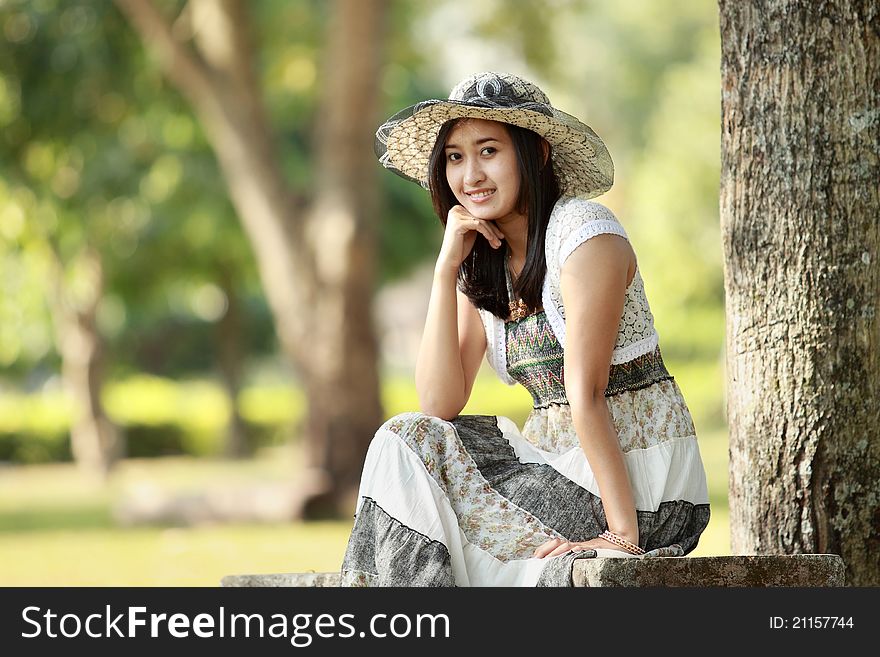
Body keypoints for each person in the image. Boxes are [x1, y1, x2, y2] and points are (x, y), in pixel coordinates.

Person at [339, 71, 710, 586]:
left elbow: (588, 392)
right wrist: (446, 271)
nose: (470, 176)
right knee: (403, 441)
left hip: (638, 480)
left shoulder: (585, 237)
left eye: (488, 150)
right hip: (553, 468)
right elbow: (438, 403)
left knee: (447, 533)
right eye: (454, 157)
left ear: (535, 154)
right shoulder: (482, 262)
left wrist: (623, 538)